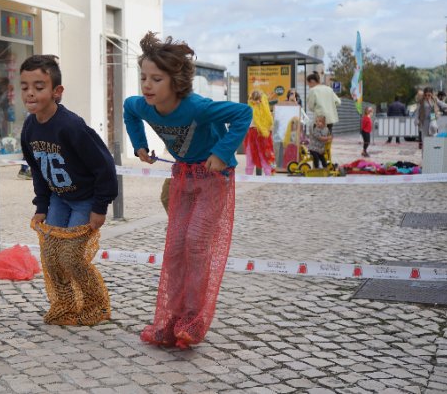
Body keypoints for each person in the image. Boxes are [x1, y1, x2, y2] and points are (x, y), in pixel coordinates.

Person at [123, 31, 252, 349]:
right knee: (176, 248)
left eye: (156, 79)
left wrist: (222, 154)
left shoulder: (197, 107)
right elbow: (129, 109)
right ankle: (171, 318)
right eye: (144, 78)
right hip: (182, 177)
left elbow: (243, 114)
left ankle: (193, 320)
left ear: (175, 81)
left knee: (195, 245)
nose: (147, 86)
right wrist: (139, 145)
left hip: (212, 181)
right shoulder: (144, 106)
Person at [20, 54, 118, 326]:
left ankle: (95, 304)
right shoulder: (29, 128)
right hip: (58, 199)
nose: (30, 93)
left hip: (85, 201)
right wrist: (41, 206)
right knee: (51, 257)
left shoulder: (71, 126)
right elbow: (37, 169)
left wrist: (100, 207)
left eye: (39, 87)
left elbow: (105, 167)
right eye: (24, 86)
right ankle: (65, 305)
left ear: (56, 92)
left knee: (72, 257)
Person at [244, 90, 275, 175]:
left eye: (258, 99)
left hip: (259, 134)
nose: (257, 102)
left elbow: (269, 123)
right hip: (255, 134)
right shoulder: (251, 109)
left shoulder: (260, 109)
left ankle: (265, 174)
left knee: (260, 155)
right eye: (255, 99)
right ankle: (251, 175)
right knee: (255, 155)